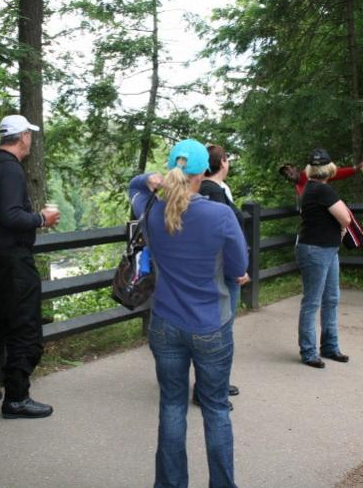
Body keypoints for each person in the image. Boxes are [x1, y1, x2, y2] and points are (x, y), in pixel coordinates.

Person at [130, 139, 248, 488]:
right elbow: (237, 268)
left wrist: (149, 179)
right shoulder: (220, 215)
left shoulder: (151, 209)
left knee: (171, 406)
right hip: (211, 324)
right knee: (216, 409)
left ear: (171, 170)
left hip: (165, 323)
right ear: (202, 173)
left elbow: (133, 187)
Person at [0, 114, 60, 419]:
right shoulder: (11, 169)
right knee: (24, 327)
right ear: (23, 137)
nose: (31, 140)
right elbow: (10, 215)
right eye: (30, 135)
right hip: (11, 263)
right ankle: (16, 398)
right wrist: (42, 219)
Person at [278, 155, 363, 291]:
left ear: (295, 168)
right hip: (325, 221)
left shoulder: (310, 174)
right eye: (285, 174)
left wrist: (357, 168)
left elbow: (336, 173)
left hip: (338, 213)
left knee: (362, 240)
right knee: (322, 247)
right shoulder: (298, 186)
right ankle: (319, 283)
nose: (288, 174)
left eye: (289, 170)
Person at [195, 144, 250, 406]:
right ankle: (210, 389)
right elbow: (221, 236)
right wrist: (237, 268)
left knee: (217, 328)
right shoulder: (214, 192)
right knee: (221, 330)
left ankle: (216, 384)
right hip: (223, 271)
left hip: (213, 269)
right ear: (223, 163)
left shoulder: (206, 190)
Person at [295, 148, 352, 369]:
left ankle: (329, 346)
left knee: (330, 299)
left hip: (325, 249)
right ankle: (309, 351)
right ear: (330, 168)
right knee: (314, 301)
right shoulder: (323, 190)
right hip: (317, 250)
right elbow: (346, 217)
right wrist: (342, 227)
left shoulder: (311, 188)